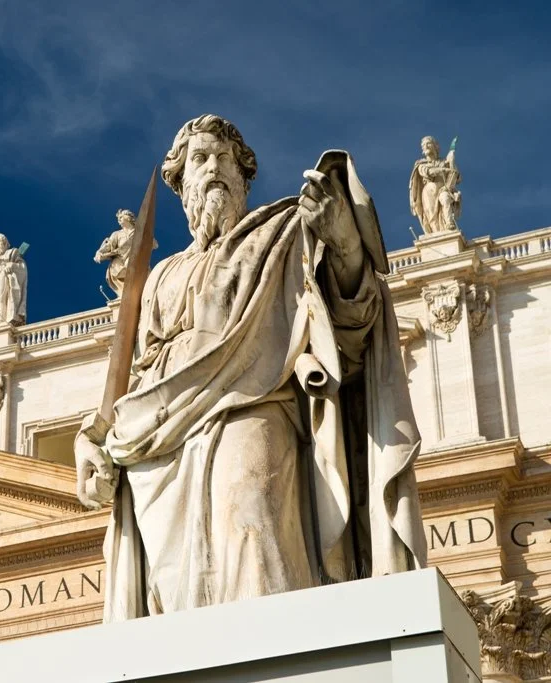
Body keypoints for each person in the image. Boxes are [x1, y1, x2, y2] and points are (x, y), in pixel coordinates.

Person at [74, 114, 427, 621]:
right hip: (159, 445)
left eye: (224, 158)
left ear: (243, 177)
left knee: (254, 517)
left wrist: (345, 243)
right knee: (175, 590)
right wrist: (92, 437)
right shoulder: (159, 279)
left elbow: (351, 324)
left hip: (255, 406)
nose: (213, 167)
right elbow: (138, 380)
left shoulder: (282, 237)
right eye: (200, 159)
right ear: (181, 185)